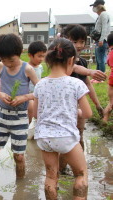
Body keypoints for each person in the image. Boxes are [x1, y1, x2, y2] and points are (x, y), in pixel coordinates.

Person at [33, 38, 92, 200]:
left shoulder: (40, 85)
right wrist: (75, 112)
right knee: (80, 174)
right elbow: (87, 113)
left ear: (48, 60)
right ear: (71, 60)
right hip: (66, 136)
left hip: (44, 137)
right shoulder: (75, 83)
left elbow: (36, 114)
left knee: (51, 176)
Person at [0, 33, 39, 179]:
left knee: (19, 156)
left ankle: (19, 187)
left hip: (20, 117)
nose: (7, 63)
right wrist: (1, 94)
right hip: (2, 115)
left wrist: (24, 97)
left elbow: (41, 91)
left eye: (11, 60)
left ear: (20, 54)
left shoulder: (27, 69)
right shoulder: (0, 67)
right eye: (3, 59)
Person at [27, 41, 47, 124]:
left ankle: (36, 126)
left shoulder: (40, 67)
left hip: (37, 94)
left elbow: (39, 78)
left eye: (43, 56)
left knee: (40, 110)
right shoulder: (26, 67)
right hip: (28, 94)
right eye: (39, 56)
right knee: (30, 108)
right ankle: (28, 124)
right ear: (30, 55)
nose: (41, 59)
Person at [90, 0, 111, 74]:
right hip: (98, 40)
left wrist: (101, 40)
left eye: (94, 6)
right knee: (98, 59)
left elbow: (104, 28)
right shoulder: (100, 15)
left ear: (99, 6)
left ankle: (101, 76)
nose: (93, 8)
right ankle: (97, 75)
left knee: (100, 59)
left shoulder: (103, 15)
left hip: (102, 40)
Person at [103, 33, 113, 122]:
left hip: (111, 79)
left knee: (111, 103)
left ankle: (105, 120)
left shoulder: (110, 54)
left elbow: (109, 63)